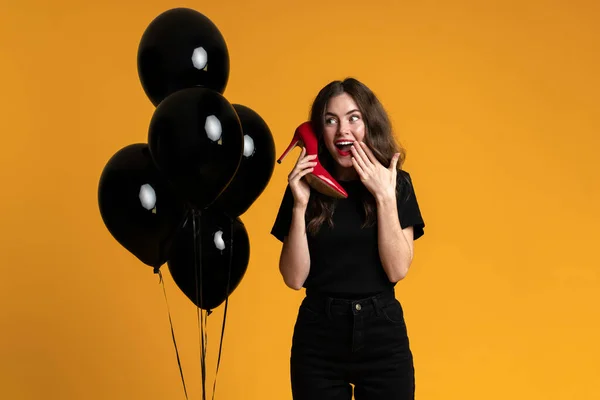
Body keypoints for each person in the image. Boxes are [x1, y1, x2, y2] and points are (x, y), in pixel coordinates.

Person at [270, 77, 425, 400]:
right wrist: (299, 205)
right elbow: (293, 278)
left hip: (382, 334)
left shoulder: (397, 184)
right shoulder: (305, 186)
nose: (343, 130)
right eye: (331, 120)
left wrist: (384, 196)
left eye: (353, 118)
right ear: (317, 131)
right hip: (319, 336)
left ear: (369, 123)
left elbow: (397, 270)